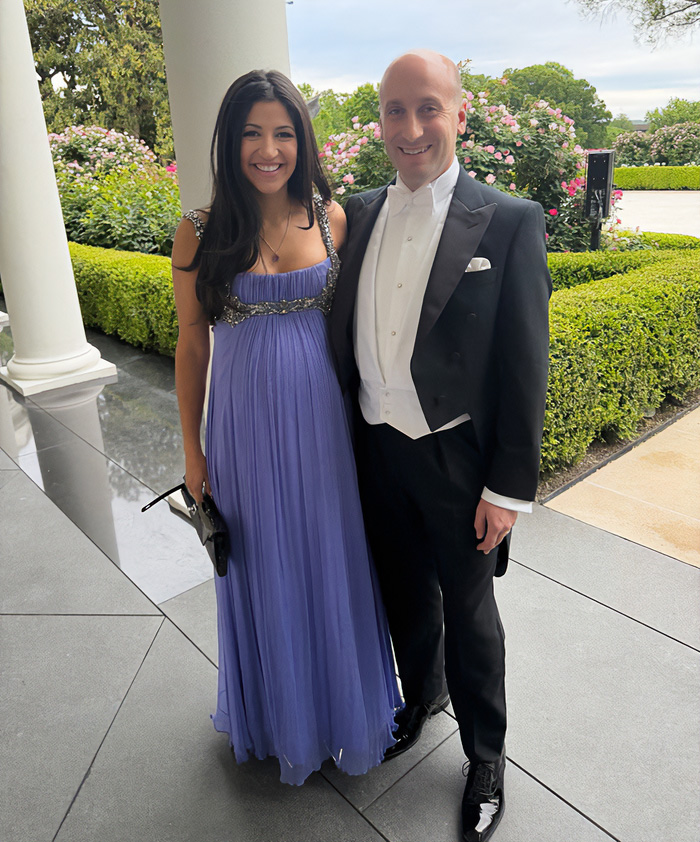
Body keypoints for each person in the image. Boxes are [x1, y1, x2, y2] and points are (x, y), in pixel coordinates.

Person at [330, 51, 552, 840]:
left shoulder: (511, 220)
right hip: (374, 447)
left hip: (458, 461)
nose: (411, 127)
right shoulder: (353, 212)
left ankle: (486, 756)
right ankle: (420, 696)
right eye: (395, 110)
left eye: (428, 108)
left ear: (461, 114)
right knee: (402, 592)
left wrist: (508, 489)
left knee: (470, 611)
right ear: (380, 122)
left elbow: (527, 366)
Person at [171, 69, 401, 786]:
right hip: (240, 424)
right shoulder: (200, 230)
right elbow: (192, 343)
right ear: (230, 142)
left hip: (320, 419)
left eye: (282, 134)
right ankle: (275, 717)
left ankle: (336, 710)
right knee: (262, 562)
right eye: (251, 134)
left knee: (328, 557)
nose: (268, 150)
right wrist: (193, 451)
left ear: (302, 141)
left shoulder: (331, 218)